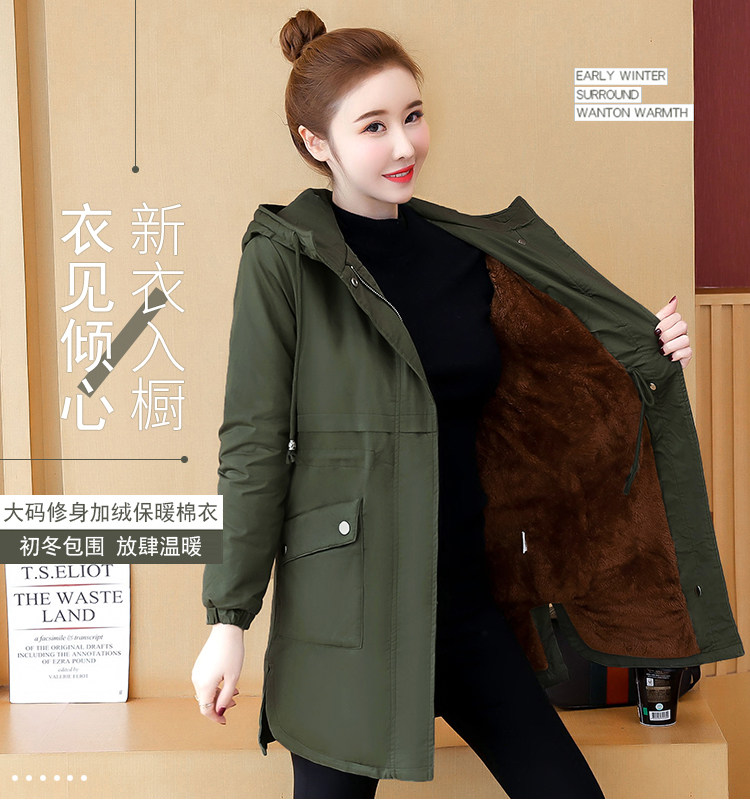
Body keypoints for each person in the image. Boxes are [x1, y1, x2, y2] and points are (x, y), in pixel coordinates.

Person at [192, 8, 742, 799]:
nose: (405, 145)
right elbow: (252, 446)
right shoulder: (285, 261)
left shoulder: (465, 256)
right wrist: (228, 619)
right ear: (317, 143)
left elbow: (545, 395)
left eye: (412, 116)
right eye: (374, 126)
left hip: (465, 604)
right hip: (346, 619)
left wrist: (641, 353)